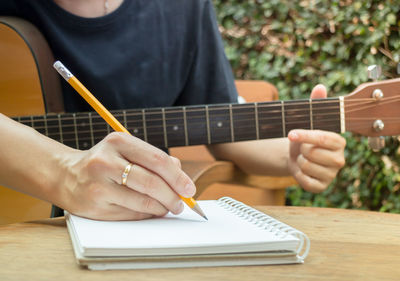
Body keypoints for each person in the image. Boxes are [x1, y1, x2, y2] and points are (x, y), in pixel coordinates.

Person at [0, 0, 346, 221]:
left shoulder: (183, 8)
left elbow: (215, 120)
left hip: (141, 227)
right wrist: (63, 172)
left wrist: (292, 152)